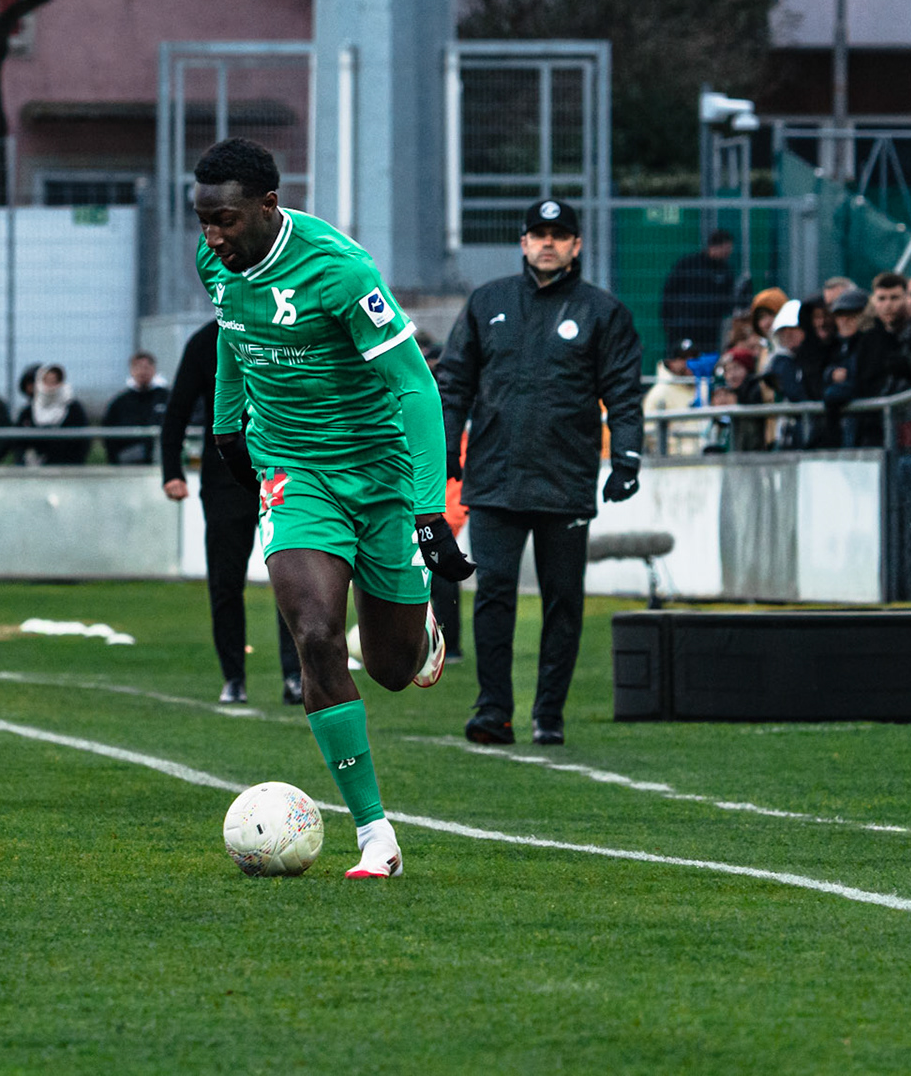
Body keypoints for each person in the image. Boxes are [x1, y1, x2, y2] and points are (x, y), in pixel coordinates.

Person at [191, 137, 473, 879]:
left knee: (386, 667)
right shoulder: (215, 259)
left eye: (224, 221)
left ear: (267, 206)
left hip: (379, 477)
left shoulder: (342, 271)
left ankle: (420, 639)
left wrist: (425, 509)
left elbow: (416, 386)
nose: (212, 238)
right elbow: (232, 333)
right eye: (202, 221)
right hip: (293, 471)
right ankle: (375, 834)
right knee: (314, 634)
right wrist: (226, 424)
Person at [438, 198, 645, 747]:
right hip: (494, 479)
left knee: (563, 600)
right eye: (538, 234)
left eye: (560, 234)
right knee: (494, 594)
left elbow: (624, 395)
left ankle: (548, 713)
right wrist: (445, 444)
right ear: (523, 242)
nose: (548, 242)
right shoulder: (488, 302)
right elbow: (453, 381)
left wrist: (626, 458)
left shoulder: (604, 312)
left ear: (576, 246)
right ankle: (493, 711)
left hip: (566, 480)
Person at [160, 320, 302, 705]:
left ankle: (296, 675)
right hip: (225, 481)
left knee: (293, 577)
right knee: (225, 582)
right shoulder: (206, 340)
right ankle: (233, 677)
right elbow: (177, 411)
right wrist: (171, 471)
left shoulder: (280, 328)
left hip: (282, 473)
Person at [823, 289, 895, 448]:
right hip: (849, 430)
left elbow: (863, 382)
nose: (844, 321)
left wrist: (833, 392)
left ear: (864, 315)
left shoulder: (874, 341)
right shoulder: (834, 346)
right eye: (839, 315)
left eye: (851, 315)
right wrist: (829, 375)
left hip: (872, 430)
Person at [661, 229, 738, 355]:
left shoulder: (725, 271)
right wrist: (669, 324)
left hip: (709, 332)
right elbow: (669, 294)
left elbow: (727, 300)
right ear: (715, 246)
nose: (729, 252)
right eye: (726, 248)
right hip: (682, 329)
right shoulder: (688, 264)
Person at [103, 351, 169, 465]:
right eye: (138, 367)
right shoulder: (120, 402)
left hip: (163, 459)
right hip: (129, 462)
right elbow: (109, 432)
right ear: (131, 370)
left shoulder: (166, 397)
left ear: (154, 369)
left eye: (146, 367)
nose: (142, 371)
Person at [16, 364, 90, 465]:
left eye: (55, 381)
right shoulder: (28, 411)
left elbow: (83, 441)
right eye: (47, 381)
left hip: (68, 471)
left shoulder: (73, 408)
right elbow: (20, 444)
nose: (50, 386)